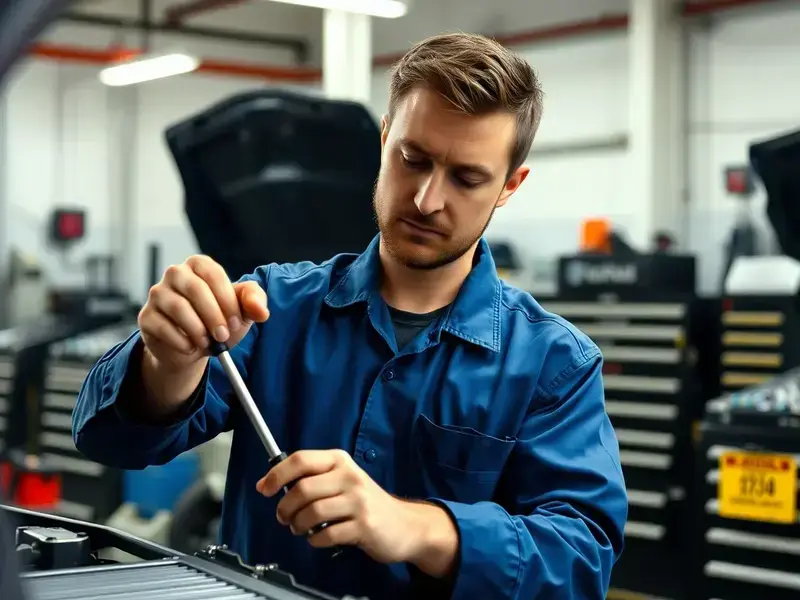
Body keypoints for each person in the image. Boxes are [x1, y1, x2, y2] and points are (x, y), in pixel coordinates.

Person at [72, 32, 627, 600]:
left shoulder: (553, 364)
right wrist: (167, 363)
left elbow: (580, 560)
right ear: (385, 139)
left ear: (511, 185)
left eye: (466, 178)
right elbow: (110, 443)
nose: (427, 200)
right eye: (412, 159)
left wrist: (413, 526)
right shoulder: (272, 308)